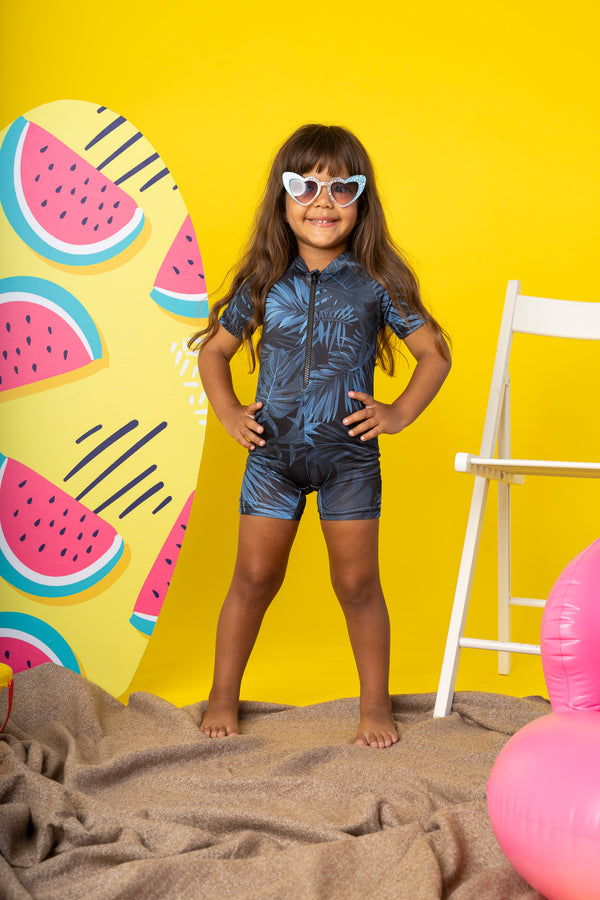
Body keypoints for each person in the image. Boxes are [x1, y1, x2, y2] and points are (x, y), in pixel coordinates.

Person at [190, 124, 451, 748]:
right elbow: (214, 354)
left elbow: (434, 354)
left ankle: (374, 705)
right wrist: (228, 413)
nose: (323, 200)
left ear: (362, 202)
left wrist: (398, 413)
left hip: (349, 460)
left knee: (359, 586)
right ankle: (223, 697)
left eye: (342, 187)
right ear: (281, 200)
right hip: (271, 457)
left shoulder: (377, 281)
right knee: (252, 580)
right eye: (305, 185)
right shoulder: (263, 280)